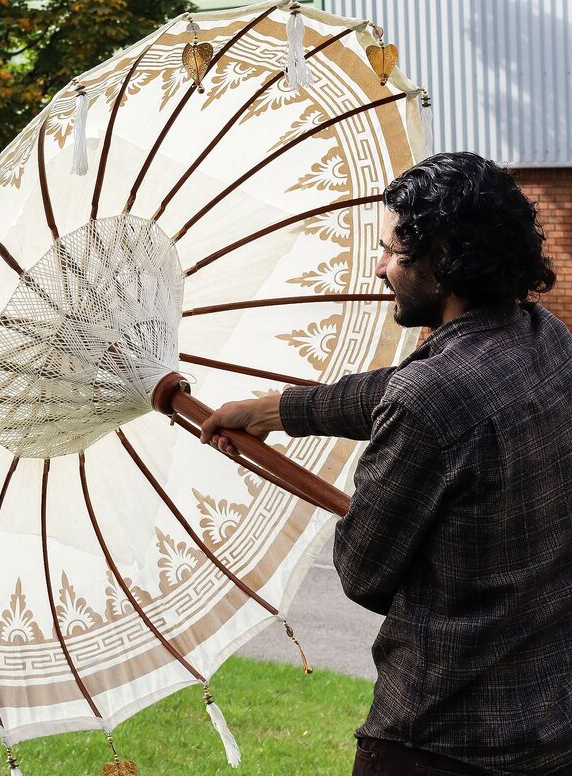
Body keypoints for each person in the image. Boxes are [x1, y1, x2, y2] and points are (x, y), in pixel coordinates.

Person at [199, 152, 572, 775]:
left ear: (445, 257)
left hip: (439, 742)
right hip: (551, 735)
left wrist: (379, 494)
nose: (380, 268)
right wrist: (278, 410)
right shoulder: (546, 338)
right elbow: (402, 389)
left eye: (393, 252)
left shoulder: (431, 402)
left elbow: (363, 570)